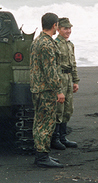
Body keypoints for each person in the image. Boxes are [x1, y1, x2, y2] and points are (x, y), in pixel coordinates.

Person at [30, 12, 66, 168]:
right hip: (45, 90)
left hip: (39, 88)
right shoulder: (46, 44)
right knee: (45, 123)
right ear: (54, 25)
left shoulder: (38, 41)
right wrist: (58, 90)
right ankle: (42, 156)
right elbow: (50, 70)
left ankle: (41, 154)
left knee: (39, 122)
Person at [51, 17, 80, 150]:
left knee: (68, 108)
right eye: (65, 28)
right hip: (60, 77)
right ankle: (55, 138)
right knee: (59, 109)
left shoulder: (70, 45)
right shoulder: (55, 44)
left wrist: (75, 80)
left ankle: (63, 137)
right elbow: (54, 66)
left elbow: (73, 63)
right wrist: (57, 86)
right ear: (58, 29)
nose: (68, 31)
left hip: (68, 78)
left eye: (69, 28)